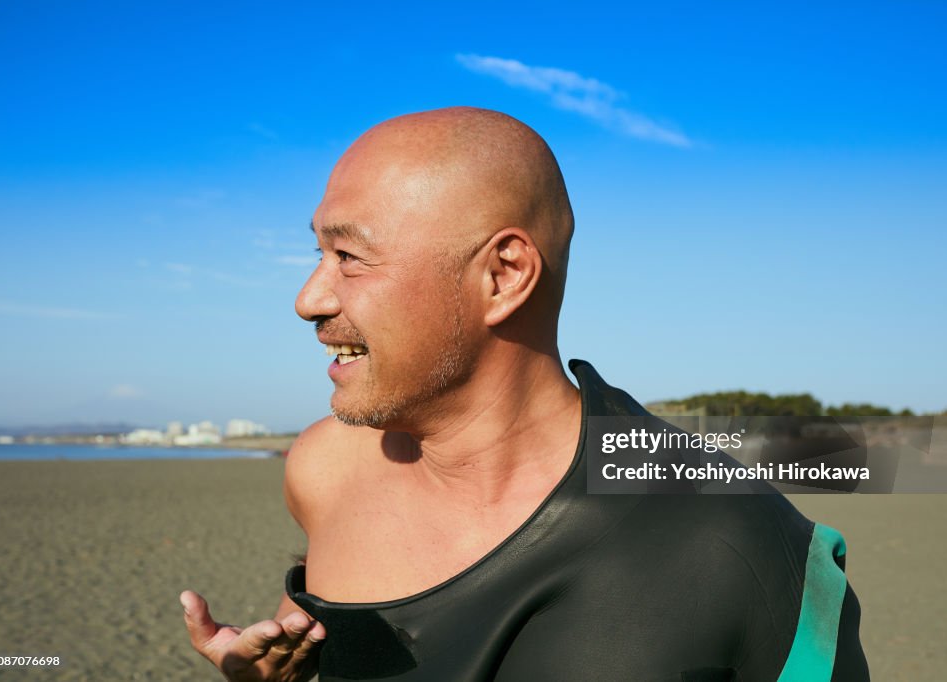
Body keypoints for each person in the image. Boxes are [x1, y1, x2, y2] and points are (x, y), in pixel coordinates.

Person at [181, 107, 869, 681]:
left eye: (350, 257)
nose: (308, 299)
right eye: (317, 255)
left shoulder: (740, 538)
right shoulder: (324, 471)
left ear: (503, 275)